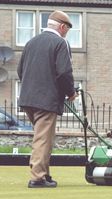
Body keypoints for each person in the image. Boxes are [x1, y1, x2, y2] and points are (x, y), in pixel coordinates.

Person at [17, 10, 77, 188]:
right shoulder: (60, 42)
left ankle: (45, 173)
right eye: (67, 29)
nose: (66, 32)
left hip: (28, 99)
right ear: (62, 26)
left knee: (44, 137)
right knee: (43, 139)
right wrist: (71, 93)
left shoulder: (31, 42)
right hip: (47, 100)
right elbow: (64, 72)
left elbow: (20, 71)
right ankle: (38, 178)